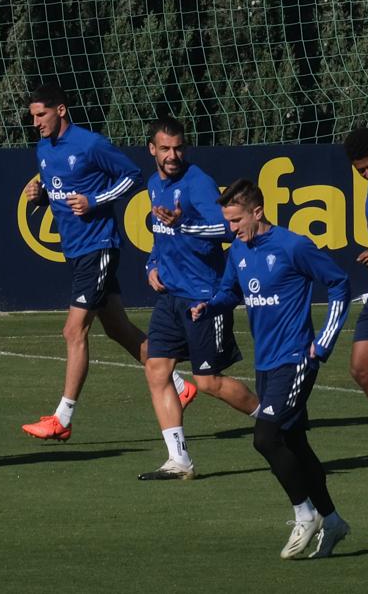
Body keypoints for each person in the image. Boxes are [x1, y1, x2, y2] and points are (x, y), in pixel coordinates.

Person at [20, 84, 191, 442]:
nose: (36, 122)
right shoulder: (43, 148)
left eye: (41, 115)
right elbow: (60, 189)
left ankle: (63, 417)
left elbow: (132, 176)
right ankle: (178, 384)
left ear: (61, 110)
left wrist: (95, 200)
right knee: (116, 328)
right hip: (77, 250)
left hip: (98, 246)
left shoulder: (90, 144)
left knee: (73, 331)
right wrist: (41, 196)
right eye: (33, 116)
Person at [191, 179, 351, 559]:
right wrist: (210, 306)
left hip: (296, 359)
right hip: (266, 363)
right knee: (294, 444)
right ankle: (332, 520)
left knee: (264, 437)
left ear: (257, 212)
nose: (231, 230)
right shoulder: (238, 253)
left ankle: (304, 514)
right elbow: (231, 292)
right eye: (227, 221)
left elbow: (339, 284)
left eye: (235, 220)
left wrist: (324, 341)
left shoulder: (293, 246)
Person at [138, 118, 260, 480]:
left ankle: (274, 420)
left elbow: (227, 229)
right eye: (165, 149)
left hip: (204, 297)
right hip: (171, 297)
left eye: (178, 148)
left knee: (208, 382)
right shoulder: (153, 184)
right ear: (152, 150)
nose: (173, 155)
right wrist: (153, 262)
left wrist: (184, 224)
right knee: (156, 369)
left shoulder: (199, 183)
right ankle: (179, 460)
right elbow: (161, 235)